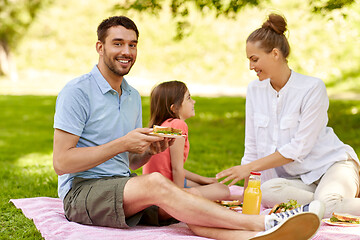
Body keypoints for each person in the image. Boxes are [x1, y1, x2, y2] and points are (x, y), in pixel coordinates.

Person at [53, 15, 325, 240]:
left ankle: (251, 237)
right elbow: (62, 162)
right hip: (82, 191)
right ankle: (263, 223)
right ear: (100, 47)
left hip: (122, 187)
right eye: (118, 44)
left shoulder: (132, 96)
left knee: (186, 210)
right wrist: (123, 143)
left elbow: (131, 162)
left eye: (133, 45)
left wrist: (149, 151)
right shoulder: (77, 92)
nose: (127, 51)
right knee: (159, 185)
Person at [216, 13, 360, 218]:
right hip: (300, 181)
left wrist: (247, 168)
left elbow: (298, 148)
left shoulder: (312, 88)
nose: (250, 67)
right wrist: (248, 197)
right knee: (266, 191)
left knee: (327, 205)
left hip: (333, 166)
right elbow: (252, 148)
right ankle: (327, 203)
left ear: (275, 54)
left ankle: (328, 202)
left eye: (254, 59)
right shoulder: (255, 90)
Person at [143, 80, 230, 201]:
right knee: (223, 190)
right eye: (188, 98)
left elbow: (171, 167)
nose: (193, 101)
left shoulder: (164, 125)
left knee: (207, 185)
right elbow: (176, 169)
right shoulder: (178, 125)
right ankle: (182, 199)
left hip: (154, 187)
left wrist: (202, 179)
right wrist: (179, 199)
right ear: (174, 108)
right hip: (164, 191)